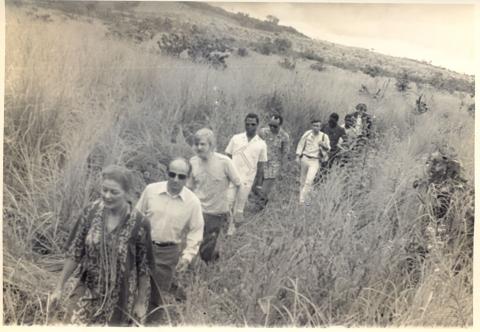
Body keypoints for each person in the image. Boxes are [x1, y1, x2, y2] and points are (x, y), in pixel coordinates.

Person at [51, 165, 153, 326]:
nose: (107, 196)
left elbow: (144, 268)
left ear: (127, 193)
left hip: (120, 298)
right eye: (104, 190)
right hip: (87, 289)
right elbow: (75, 252)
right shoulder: (90, 212)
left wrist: (140, 304)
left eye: (114, 192)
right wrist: (59, 287)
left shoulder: (140, 223)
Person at [135, 158, 204, 321]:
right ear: (167, 173)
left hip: (168, 252)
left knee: (157, 295)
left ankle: (151, 325)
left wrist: (187, 257)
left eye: (181, 176)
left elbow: (196, 231)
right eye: (172, 174)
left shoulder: (192, 202)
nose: (175, 180)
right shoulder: (151, 190)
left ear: (187, 178)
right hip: (142, 246)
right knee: (134, 287)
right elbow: (136, 216)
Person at [188, 128, 241, 263]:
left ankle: (210, 273)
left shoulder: (224, 162)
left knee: (208, 252)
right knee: (192, 246)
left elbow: (238, 184)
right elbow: (189, 188)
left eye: (203, 144)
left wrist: (236, 208)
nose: (199, 147)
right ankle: (194, 274)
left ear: (211, 145)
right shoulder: (192, 162)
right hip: (198, 212)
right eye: (196, 144)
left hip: (217, 213)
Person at [225, 113, 268, 223]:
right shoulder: (236, 138)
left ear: (257, 125)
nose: (250, 127)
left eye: (253, 124)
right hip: (232, 177)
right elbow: (227, 157)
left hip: (247, 180)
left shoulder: (261, 144)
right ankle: (224, 227)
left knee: (239, 208)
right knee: (227, 203)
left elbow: (261, 166)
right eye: (247, 124)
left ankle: (232, 229)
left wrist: (258, 184)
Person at [257, 114, 290, 205]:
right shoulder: (263, 132)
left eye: (274, 126)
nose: (271, 127)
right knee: (256, 187)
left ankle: (260, 207)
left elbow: (285, 153)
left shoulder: (284, 136)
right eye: (270, 125)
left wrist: (282, 170)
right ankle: (262, 200)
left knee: (265, 189)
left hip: (274, 165)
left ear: (280, 125)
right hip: (261, 163)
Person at [295, 119, 330, 205]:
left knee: (309, 181)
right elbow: (300, 144)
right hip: (305, 158)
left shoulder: (324, 136)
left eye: (318, 126)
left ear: (320, 127)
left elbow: (328, 148)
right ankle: (302, 200)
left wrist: (323, 145)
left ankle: (302, 201)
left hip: (315, 160)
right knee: (302, 180)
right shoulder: (307, 134)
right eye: (314, 125)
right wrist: (297, 156)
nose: (316, 128)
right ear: (311, 126)